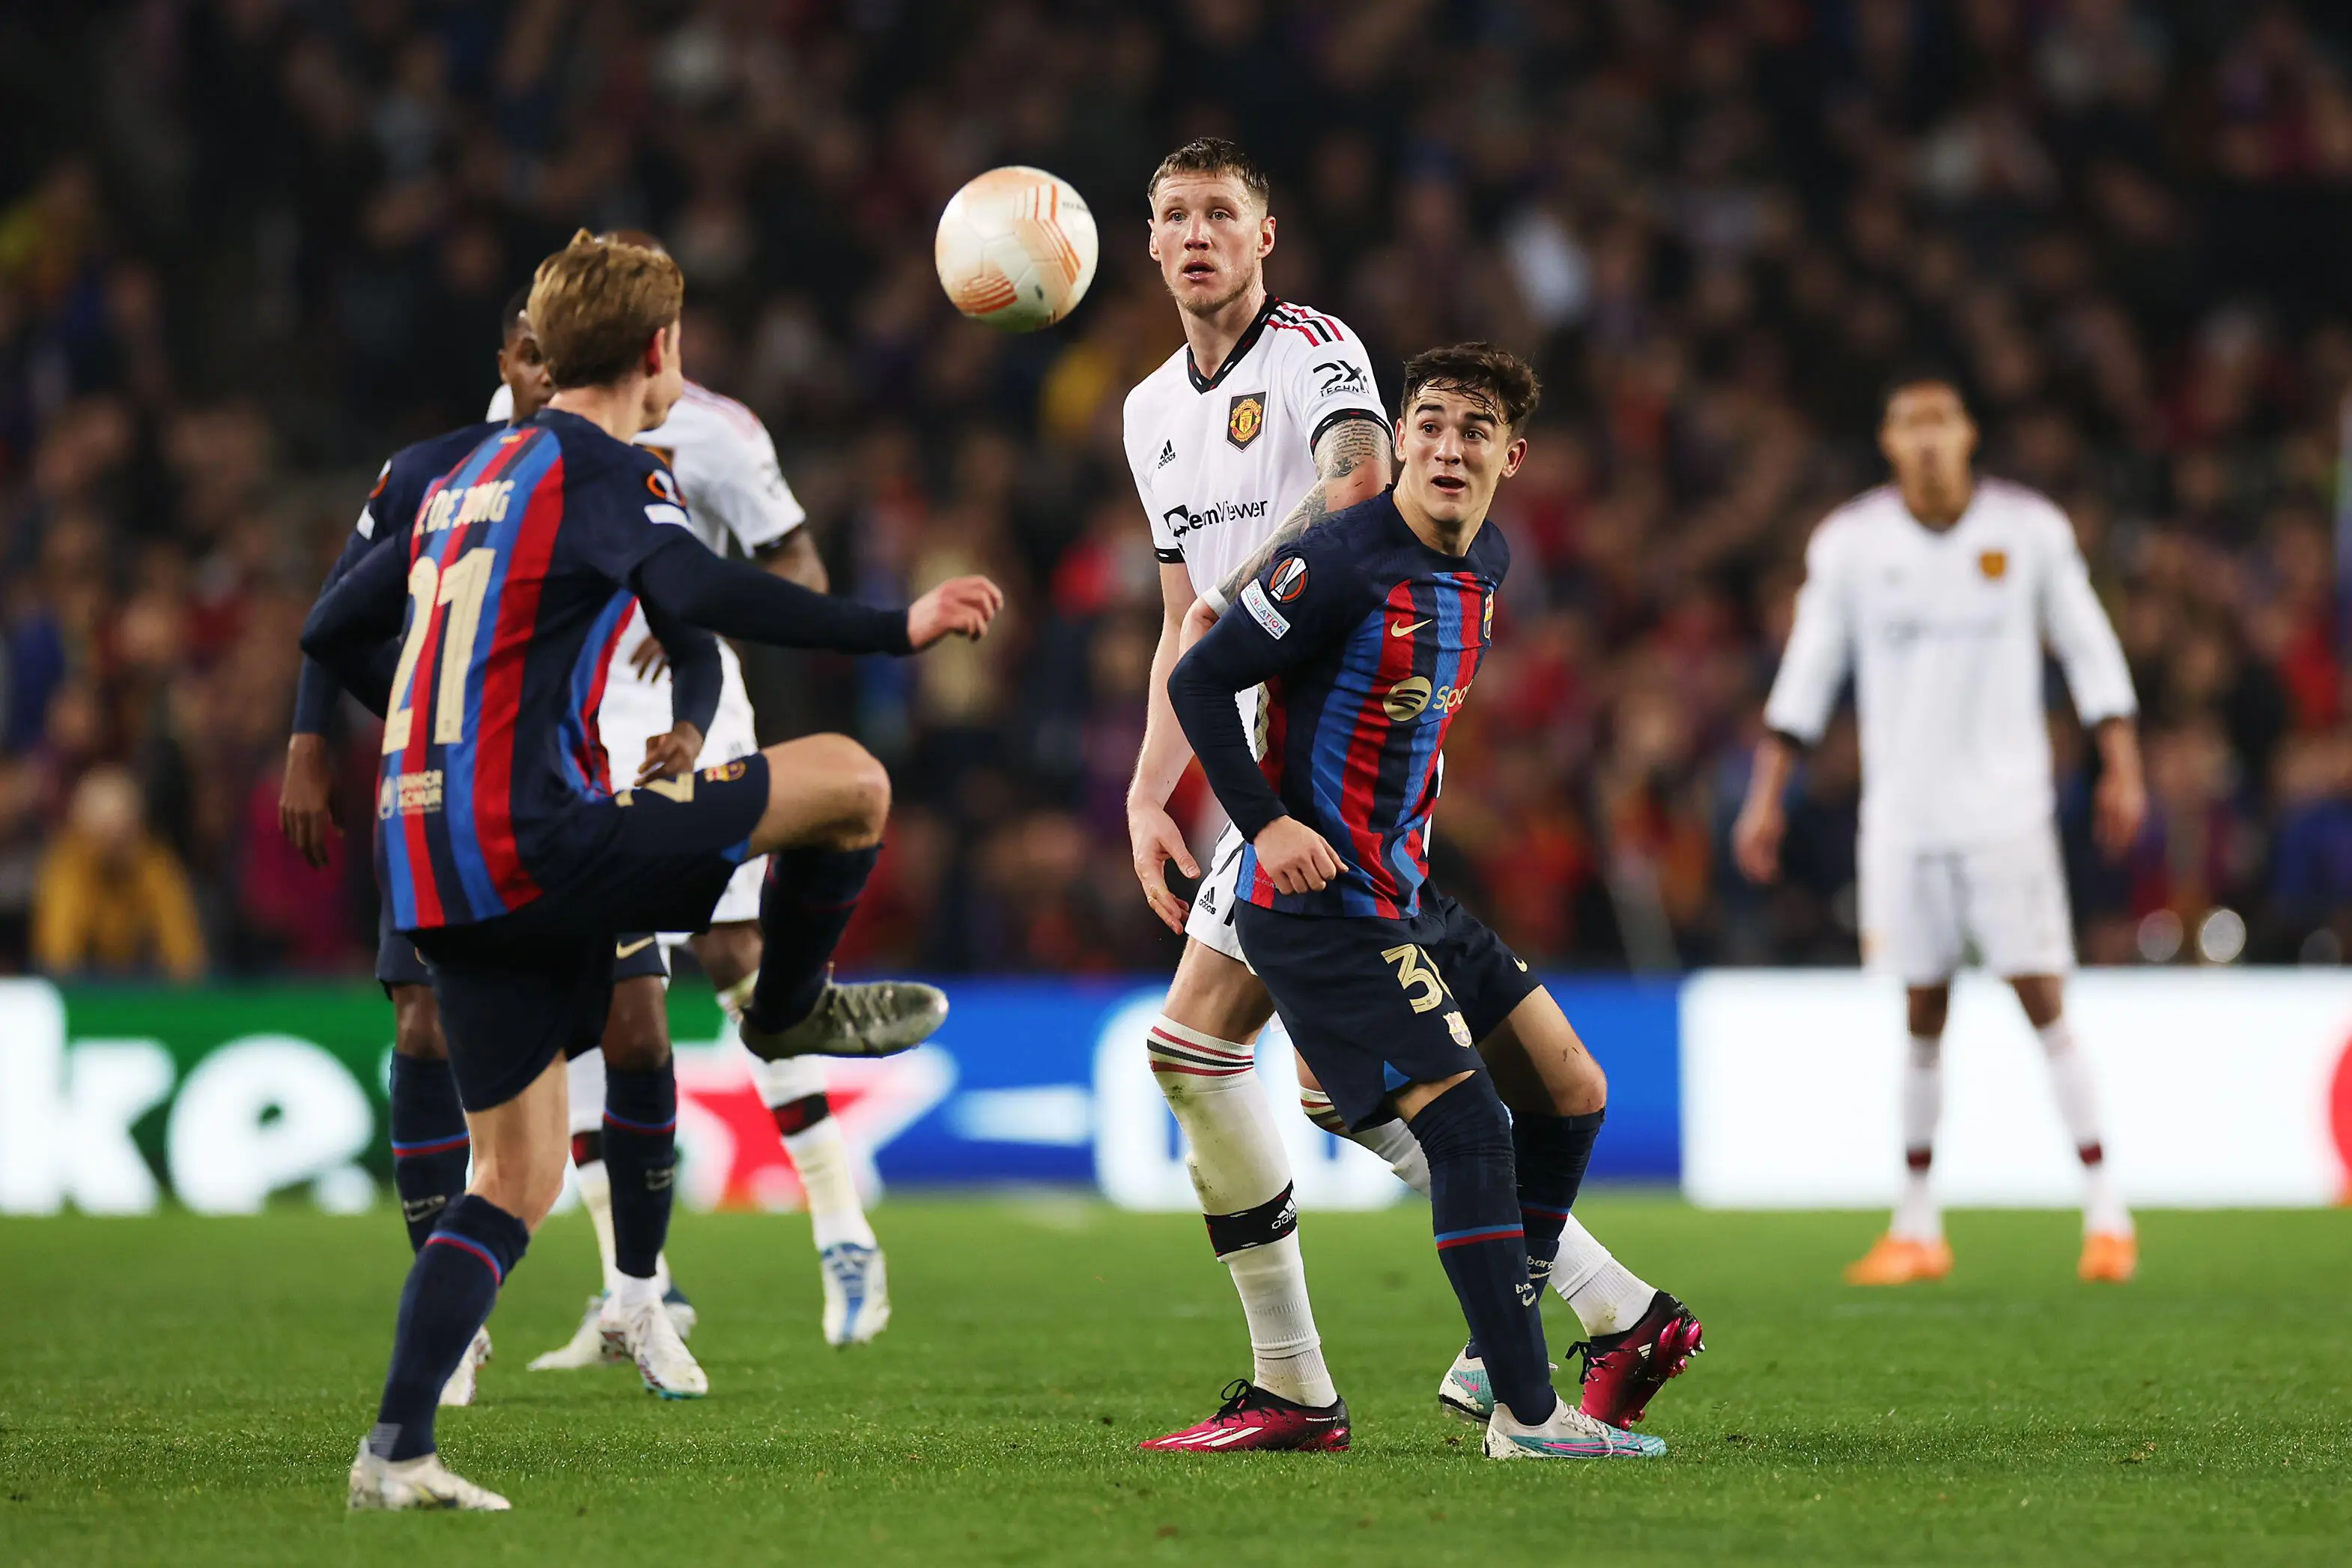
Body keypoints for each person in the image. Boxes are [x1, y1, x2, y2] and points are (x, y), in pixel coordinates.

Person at [307, 231, 1002, 1510]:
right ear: (658, 350)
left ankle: (394, 1449)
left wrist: (432, 729)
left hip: (434, 859)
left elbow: (332, 622)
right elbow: (700, 587)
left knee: (510, 1178)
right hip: (544, 842)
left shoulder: (464, 468)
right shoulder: (604, 466)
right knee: (850, 781)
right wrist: (893, 627)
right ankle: (793, 1003)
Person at [1123, 139, 1697, 1451]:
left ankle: (1302, 1384)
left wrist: (1257, 608)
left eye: (1223, 213)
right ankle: (1606, 1308)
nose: (1199, 234)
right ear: (1145, 243)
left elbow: (1349, 486)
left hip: (1315, 784)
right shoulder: (1149, 408)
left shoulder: (1318, 353)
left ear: (1266, 237)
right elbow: (1178, 617)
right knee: (1332, 1090)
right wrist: (1153, 787)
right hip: (1247, 766)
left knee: (1212, 1053)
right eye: (1175, 216)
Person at [489, 236, 893, 1370]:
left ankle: (839, 1224)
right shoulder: (517, 419)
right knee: (594, 987)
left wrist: (700, 618)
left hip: (690, 718)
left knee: (733, 959)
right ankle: (637, 1286)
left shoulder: (718, 432)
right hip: (566, 728)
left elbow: (800, 564)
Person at [1730, 372, 2147, 1286]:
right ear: (1887, 442)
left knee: (2043, 998)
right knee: (1921, 1010)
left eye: (1940, 422)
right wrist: (1767, 795)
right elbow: (1807, 674)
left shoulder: (2029, 531)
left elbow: (2089, 646)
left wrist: (2121, 764)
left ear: (1968, 436)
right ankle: (1917, 1225)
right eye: (1908, 423)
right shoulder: (1849, 544)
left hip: (2007, 814)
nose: (1925, 438)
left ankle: (2109, 1212)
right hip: (1904, 820)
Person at [279, 292, 551, 1406]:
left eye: (560, 345)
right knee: (422, 1015)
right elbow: (337, 610)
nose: (543, 364)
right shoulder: (429, 470)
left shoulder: (617, 471)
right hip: (435, 776)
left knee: (620, 1016)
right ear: (506, 358)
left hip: (564, 781)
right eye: (527, 347)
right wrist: (311, 735)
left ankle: (642, 1282)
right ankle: (451, 1299)